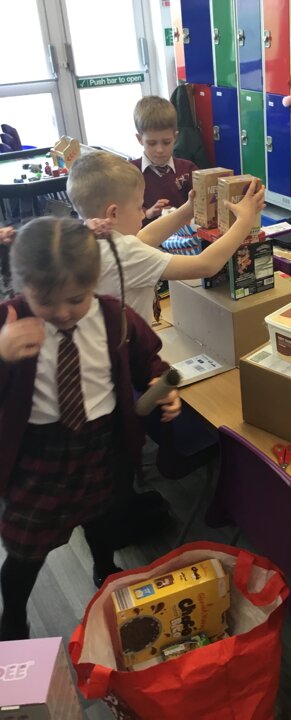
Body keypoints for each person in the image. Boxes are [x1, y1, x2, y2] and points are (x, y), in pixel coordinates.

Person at [0, 217, 181, 641]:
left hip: (103, 441)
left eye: (75, 300)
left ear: (94, 283)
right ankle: (13, 618)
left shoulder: (115, 316)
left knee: (102, 518)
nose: (63, 313)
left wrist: (160, 383)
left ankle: (105, 569)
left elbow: (148, 358)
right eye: (46, 302)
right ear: (21, 286)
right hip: (38, 451)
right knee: (26, 548)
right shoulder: (8, 321)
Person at [66, 150, 265, 325]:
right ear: (113, 213)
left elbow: (145, 237)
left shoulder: (85, 240)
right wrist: (244, 221)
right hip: (126, 351)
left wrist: (189, 209)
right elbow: (206, 265)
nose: (143, 214)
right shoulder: (125, 254)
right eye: (139, 207)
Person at [131, 95, 198, 225]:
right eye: (152, 143)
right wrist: (148, 213)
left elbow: (202, 208)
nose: (160, 150)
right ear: (140, 139)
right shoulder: (130, 173)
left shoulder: (188, 169)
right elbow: (123, 216)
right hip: (146, 236)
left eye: (166, 142)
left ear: (175, 137)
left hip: (186, 235)